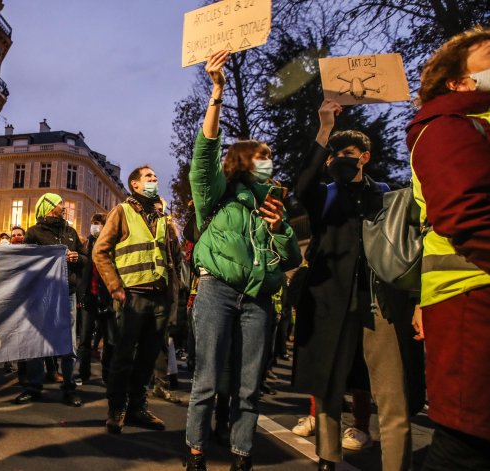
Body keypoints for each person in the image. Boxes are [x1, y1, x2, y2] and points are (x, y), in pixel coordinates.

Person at [292, 99, 426, 471]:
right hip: (331, 305)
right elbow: (302, 183)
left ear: (365, 156)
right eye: (333, 155)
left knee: (392, 394)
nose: (338, 160)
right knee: (329, 386)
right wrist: (324, 128)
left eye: (347, 153)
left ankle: (397, 464)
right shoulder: (323, 196)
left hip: (379, 303)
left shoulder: (386, 196)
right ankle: (327, 456)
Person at [183, 50, 302, 471]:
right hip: (217, 291)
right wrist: (216, 92)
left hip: (259, 300)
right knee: (208, 379)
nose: (269, 161)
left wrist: (281, 228)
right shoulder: (218, 196)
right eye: (261, 155)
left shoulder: (273, 203)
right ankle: (196, 452)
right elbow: (202, 161)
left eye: (271, 155)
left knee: (248, 385)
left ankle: (241, 453)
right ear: (241, 160)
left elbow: (291, 258)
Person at [406, 27, 490, 471]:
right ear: (458, 82)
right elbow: (466, 215)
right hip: (472, 296)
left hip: (467, 296)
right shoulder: (449, 129)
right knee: (465, 445)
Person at [93, 164, 182, 435]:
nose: (155, 179)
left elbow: (173, 257)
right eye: (148, 177)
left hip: (159, 298)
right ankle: (117, 409)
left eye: (156, 176)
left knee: (147, 358)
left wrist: (170, 224)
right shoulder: (122, 212)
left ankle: (137, 407)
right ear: (135, 184)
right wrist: (115, 287)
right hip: (132, 296)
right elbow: (100, 251)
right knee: (124, 357)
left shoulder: (161, 216)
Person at [15, 193, 87, 407]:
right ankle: (33, 387)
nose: (63, 206)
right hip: (43, 294)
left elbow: (85, 258)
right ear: (47, 207)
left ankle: (69, 388)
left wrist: (78, 257)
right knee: (37, 341)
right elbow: (27, 261)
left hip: (67, 293)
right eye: (59, 203)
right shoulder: (34, 233)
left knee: (69, 344)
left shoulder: (71, 232)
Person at [77, 213, 115, 383]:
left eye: (98, 223)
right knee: (84, 339)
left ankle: (107, 374)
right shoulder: (87, 245)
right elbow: (82, 273)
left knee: (109, 340)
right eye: (93, 223)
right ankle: (84, 374)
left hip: (107, 297)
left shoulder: (112, 245)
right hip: (89, 297)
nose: (95, 226)